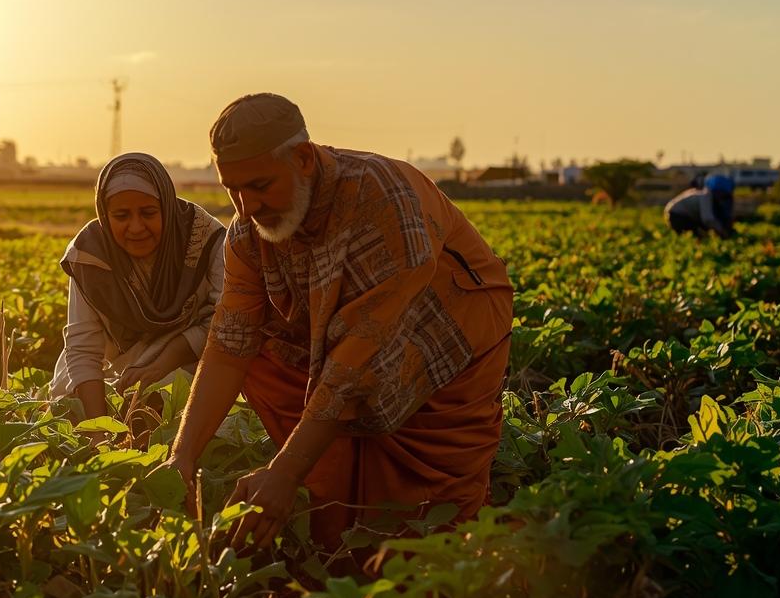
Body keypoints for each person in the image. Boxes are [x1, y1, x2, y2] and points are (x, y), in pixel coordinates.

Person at [166, 93, 514, 573]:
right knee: (264, 358)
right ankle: (336, 553)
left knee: (434, 522)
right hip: (346, 355)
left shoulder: (382, 198)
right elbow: (229, 345)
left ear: (304, 159)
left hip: (449, 329)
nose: (247, 207)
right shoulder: (248, 234)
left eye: (260, 185)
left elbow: (356, 363)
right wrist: (181, 457)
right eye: (233, 190)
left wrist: (285, 472)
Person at [52, 152, 226, 424]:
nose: (136, 227)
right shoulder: (90, 255)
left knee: (177, 396)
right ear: (105, 216)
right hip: (117, 368)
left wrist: (162, 363)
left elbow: (226, 320)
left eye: (148, 213)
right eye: (121, 216)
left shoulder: (203, 237)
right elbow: (83, 349)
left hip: (189, 357)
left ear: (167, 206)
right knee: (70, 406)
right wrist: (98, 430)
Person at [664, 174, 736, 238]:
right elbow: (707, 219)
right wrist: (721, 230)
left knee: (705, 230)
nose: (723, 197)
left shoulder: (709, 195)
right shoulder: (706, 196)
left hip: (679, 215)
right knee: (700, 235)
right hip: (676, 216)